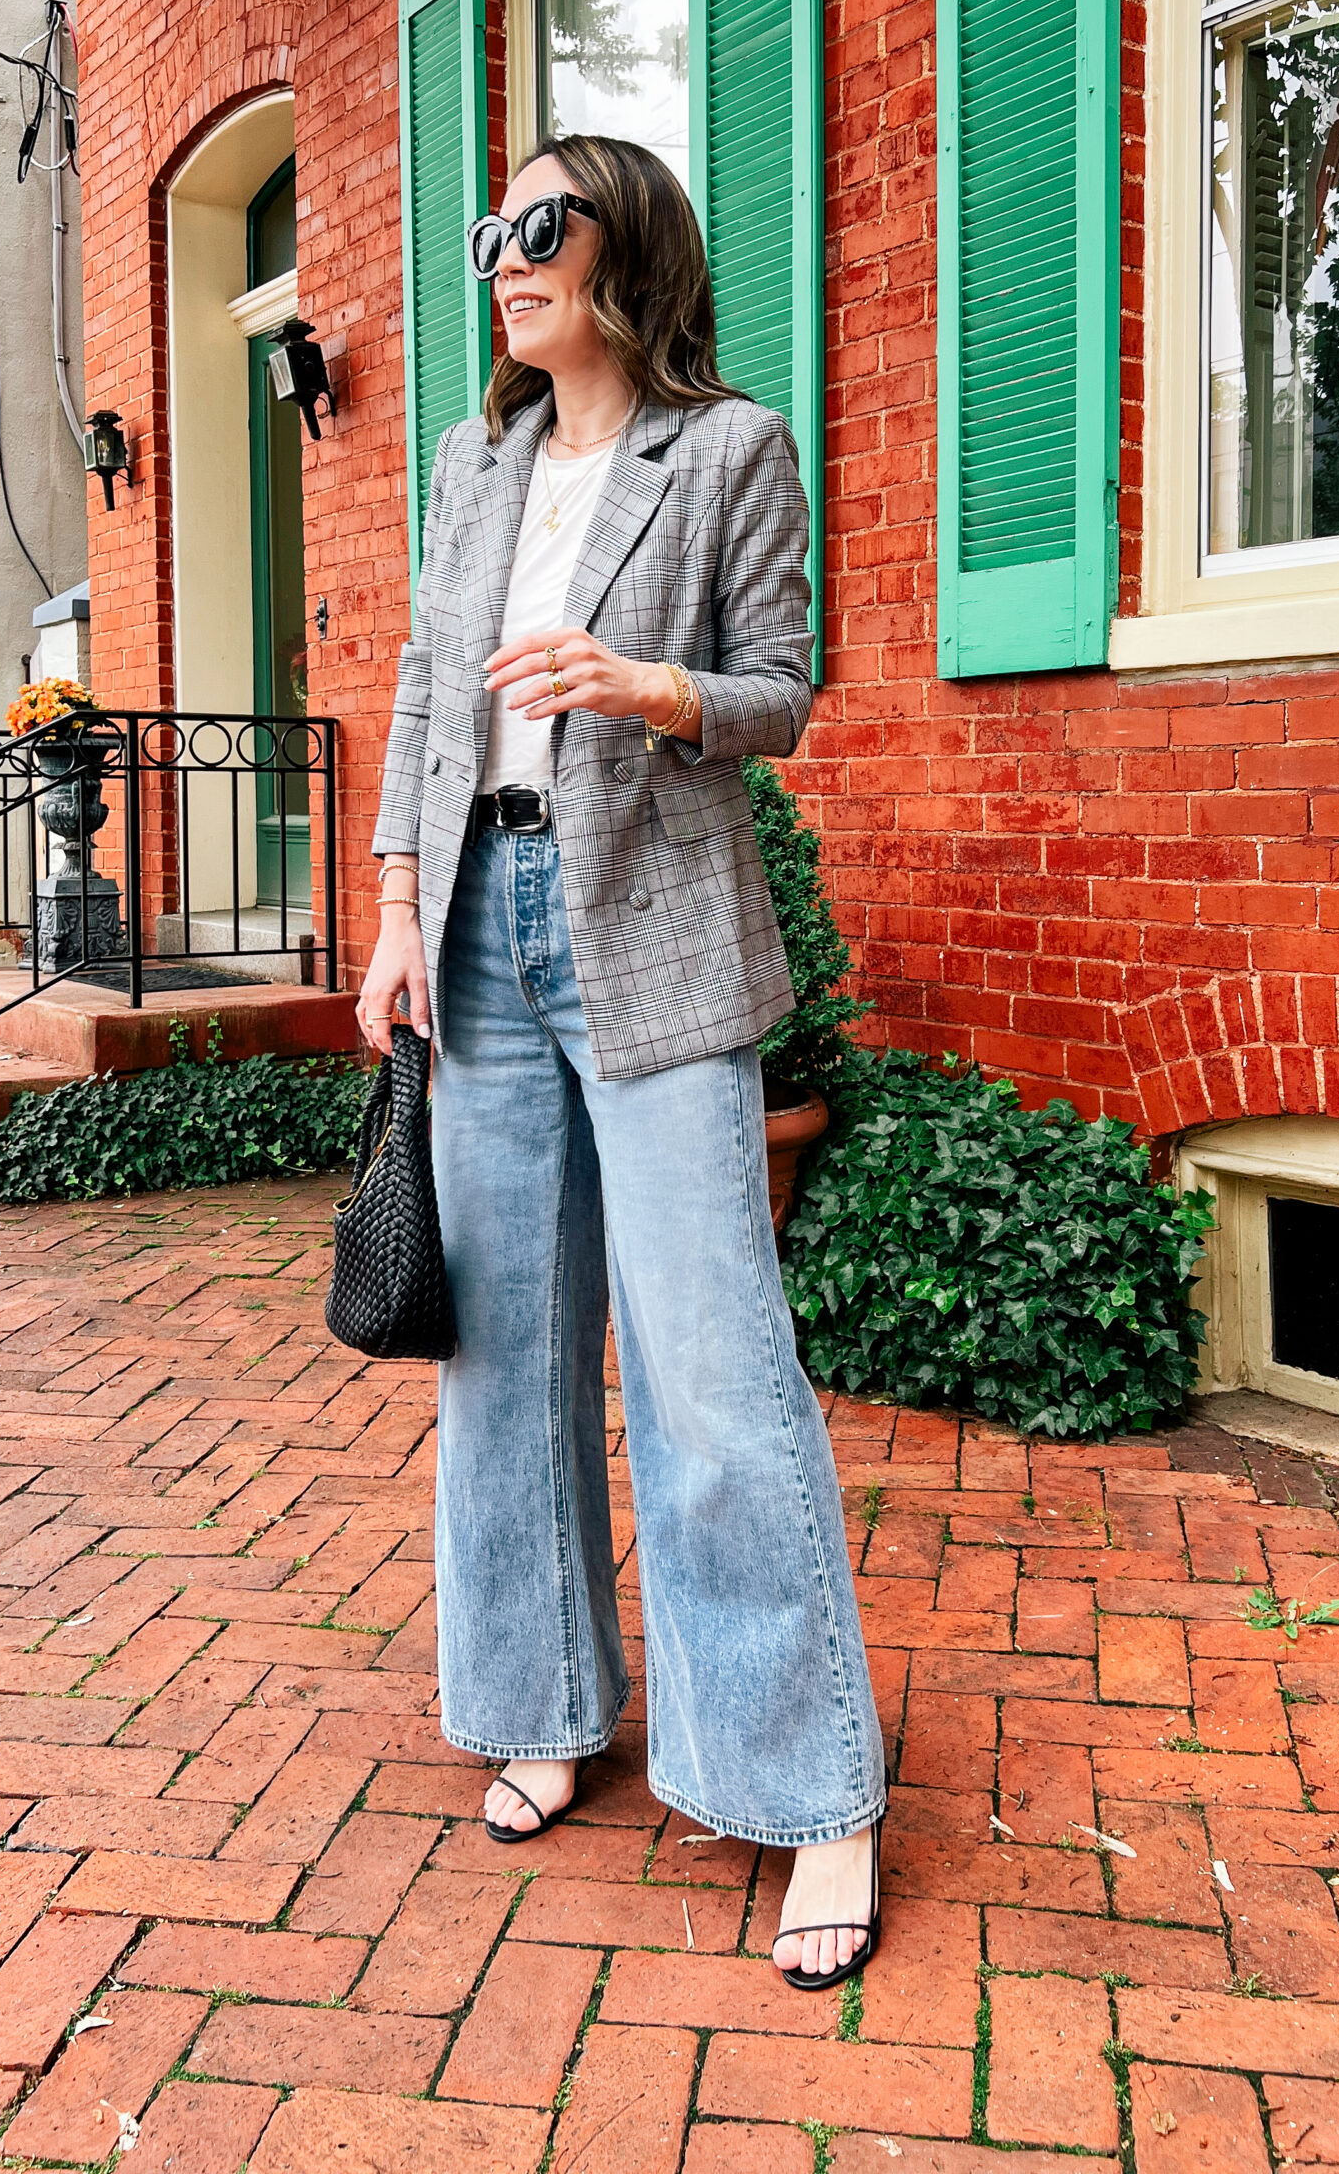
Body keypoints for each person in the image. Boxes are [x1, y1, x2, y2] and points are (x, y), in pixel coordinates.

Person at [358, 133, 884, 1989]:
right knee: (503, 1357)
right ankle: (545, 1703)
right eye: (492, 225)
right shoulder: (471, 459)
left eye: (543, 226)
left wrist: (647, 689)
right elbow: (429, 689)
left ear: (626, 253)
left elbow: (782, 692)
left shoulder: (728, 450)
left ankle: (810, 1784)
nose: (506, 256)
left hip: (652, 938)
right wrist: (397, 904)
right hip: (480, 939)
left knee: (711, 1362)